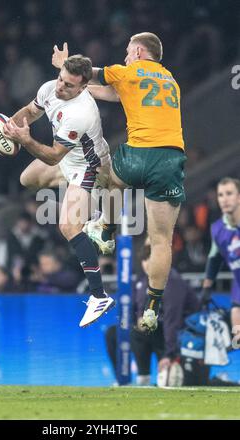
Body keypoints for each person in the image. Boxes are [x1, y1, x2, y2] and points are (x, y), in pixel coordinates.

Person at [52, 33, 186, 332]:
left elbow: (85, 72)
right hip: (169, 159)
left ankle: (106, 232)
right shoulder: (171, 80)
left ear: (139, 51)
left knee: (110, 178)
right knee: (162, 239)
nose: (125, 57)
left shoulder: (129, 71)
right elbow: (117, 94)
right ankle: (153, 307)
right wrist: (86, 90)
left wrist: (65, 65)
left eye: (128, 52)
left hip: (138, 154)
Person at [3, 54, 115, 327]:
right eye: (60, 79)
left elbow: (52, 156)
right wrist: (9, 127)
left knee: (67, 226)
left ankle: (99, 296)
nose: (60, 87)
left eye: (68, 85)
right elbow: (29, 113)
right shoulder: (49, 87)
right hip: (68, 159)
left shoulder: (81, 113)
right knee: (27, 179)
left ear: (82, 87)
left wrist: (25, 139)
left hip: (89, 166)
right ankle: (89, 204)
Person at [105, 238, 199, 385]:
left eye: (152, 258)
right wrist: (136, 320)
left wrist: (170, 354)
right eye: (145, 258)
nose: (148, 263)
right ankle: (124, 378)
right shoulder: (141, 282)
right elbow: (132, 311)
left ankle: (146, 375)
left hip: (175, 335)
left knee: (148, 330)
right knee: (113, 333)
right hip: (148, 332)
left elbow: (172, 320)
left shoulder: (172, 282)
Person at [201, 177, 240, 333]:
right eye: (220, 195)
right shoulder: (217, 229)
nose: (224, 199)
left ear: (239, 197)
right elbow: (214, 258)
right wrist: (206, 288)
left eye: (229, 193)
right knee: (236, 327)